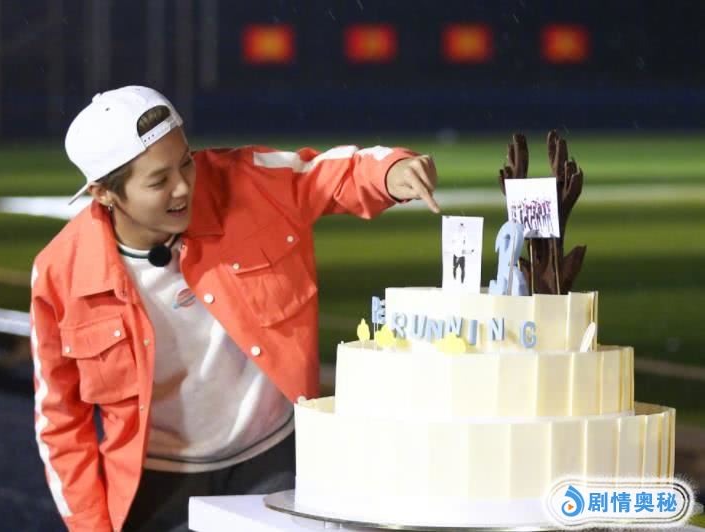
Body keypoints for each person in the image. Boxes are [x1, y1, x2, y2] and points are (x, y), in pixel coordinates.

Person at [29, 85, 440, 532]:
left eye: (185, 161)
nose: (183, 186)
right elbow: (60, 421)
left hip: (278, 462)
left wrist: (390, 171)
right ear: (104, 193)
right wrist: (91, 527)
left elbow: (330, 173)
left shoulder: (247, 181)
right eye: (158, 181)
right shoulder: (59, 272)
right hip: (154, 488)